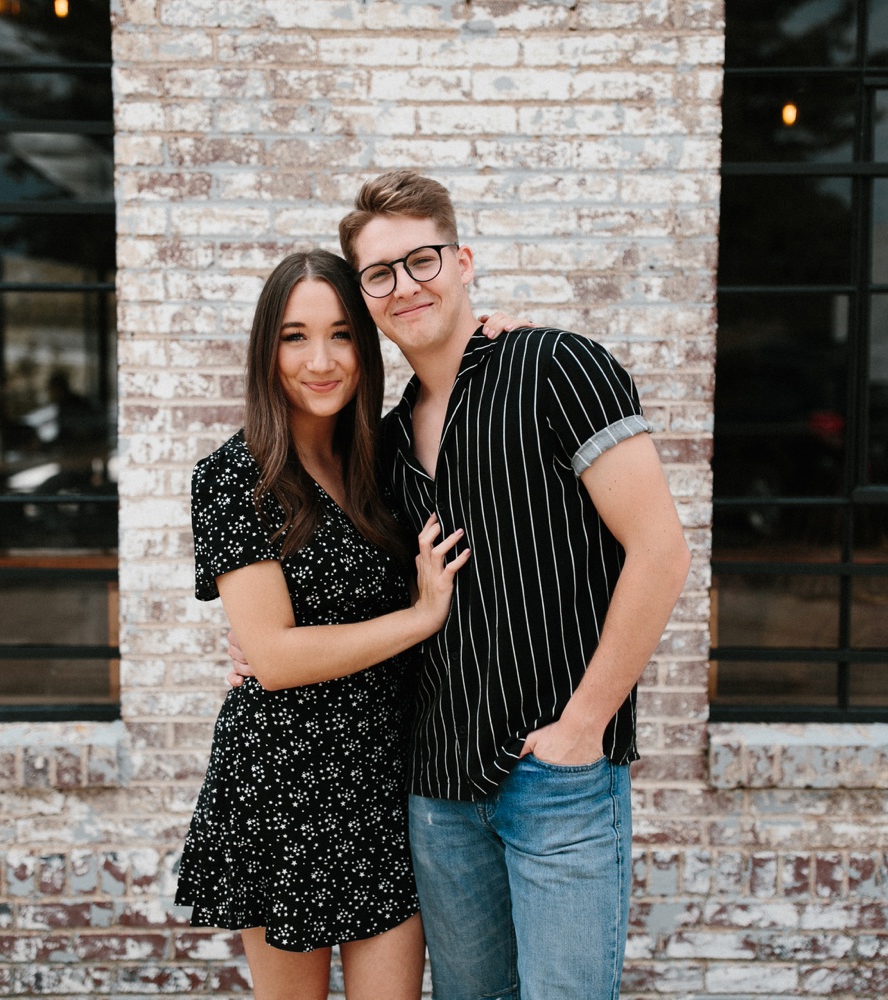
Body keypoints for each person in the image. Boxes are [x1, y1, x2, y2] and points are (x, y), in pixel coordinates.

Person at [232, 172, 692, 998]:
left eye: (422, 260)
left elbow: (660, 551)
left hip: (557, 780)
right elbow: (343, 590)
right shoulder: (382, 446)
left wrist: (583, 727)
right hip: (437, 795)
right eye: (380, 273)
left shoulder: (557, 367)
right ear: (367, 297)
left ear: (463, 259)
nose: (405, 285)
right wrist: (259, 652)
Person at [176, 249, 475, 1000]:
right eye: (294, 336)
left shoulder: (387, 457)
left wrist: (503, 332)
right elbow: (273, 657)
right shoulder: (231, 478)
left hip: (381, 782)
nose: (320, 360)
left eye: (341, 334)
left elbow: (459, 363)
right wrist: (420, 617)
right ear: (265, 350)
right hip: (281, 784)